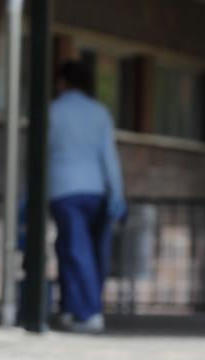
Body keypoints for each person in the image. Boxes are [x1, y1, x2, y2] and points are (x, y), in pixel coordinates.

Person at [47, 60, 126, 333]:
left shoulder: (52, 112)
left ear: (62, 83)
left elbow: (38, 157)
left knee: (72, 250)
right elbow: (109, 157)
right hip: (97, 190)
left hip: (63, 190)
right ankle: (74, 308)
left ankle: (87, 312)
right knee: (90, 252)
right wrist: (117, 193)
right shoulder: (100, 113)